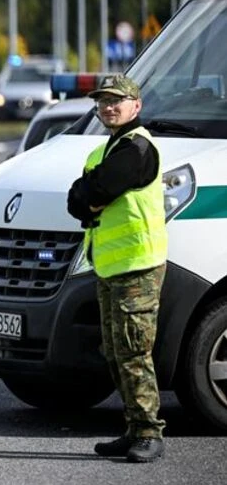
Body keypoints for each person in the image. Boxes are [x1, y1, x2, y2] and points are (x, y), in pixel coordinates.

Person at [67, 74, 167, 463]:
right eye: (102, 101)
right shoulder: (106, 150)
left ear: (135, 106)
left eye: (116, 101)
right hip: (111, 266)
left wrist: (88, 195)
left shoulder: (137, 148)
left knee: (133, 351)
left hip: (137, 266)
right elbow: (79, 198)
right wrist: (87, 196)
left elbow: (96, 191)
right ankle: (132, 428)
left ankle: (148, 432)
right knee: (114, 350)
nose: (108, 107)